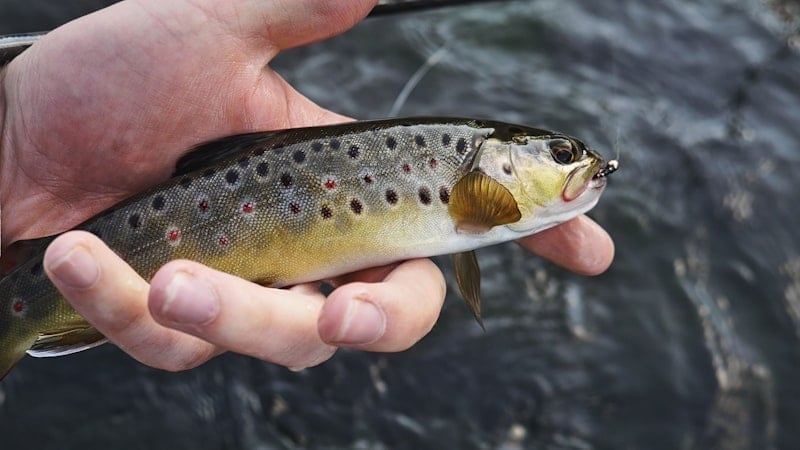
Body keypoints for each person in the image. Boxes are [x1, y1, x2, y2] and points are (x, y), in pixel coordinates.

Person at [0, 0, 614, 372]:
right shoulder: (480, 199)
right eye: (562, 155)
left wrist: (14, 117)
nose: (577, 164)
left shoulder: (485, 206)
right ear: (497, 166)